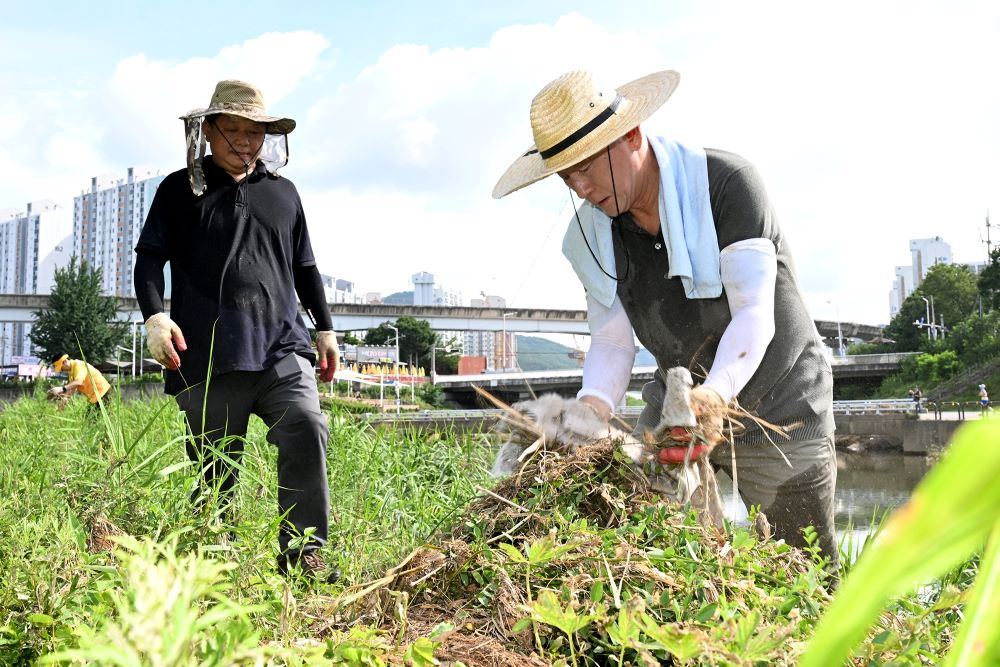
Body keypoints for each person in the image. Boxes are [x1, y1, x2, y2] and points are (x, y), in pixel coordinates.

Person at [493, 70, 838, 566]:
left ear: (631, 135)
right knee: (651, 548)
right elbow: (613, 341)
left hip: (780, 400)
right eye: (567, 177)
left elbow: (754, 312)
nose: (581, 187)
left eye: (587, 166)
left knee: (804, 563)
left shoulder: (726, 185)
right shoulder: (592, 234)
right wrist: (589, 411)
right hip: (677, 402)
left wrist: (716, 396)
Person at [133, 79, 340, 581]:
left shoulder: (283, 194)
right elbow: (148, 263)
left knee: (307, 428)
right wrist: (156, 317)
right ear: (207, 131)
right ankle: (214, 565)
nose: (247, 143)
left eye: (256, 133)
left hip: (282, 348)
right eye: (235, 132)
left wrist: (325, 329)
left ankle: (304, 555)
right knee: (214, 471)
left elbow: (306, 268)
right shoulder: (177, 191)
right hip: (206, 354)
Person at [46, 353, 111, 410]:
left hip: (102, 392)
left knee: (92, 421)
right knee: (90, 421)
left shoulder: (78, 365)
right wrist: (63, 401)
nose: (61, 370)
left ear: (65, 361)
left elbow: (79, 381)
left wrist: (61, 388)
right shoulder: (71, 372)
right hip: (94, 396)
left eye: (61, 367)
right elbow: (73, 388)